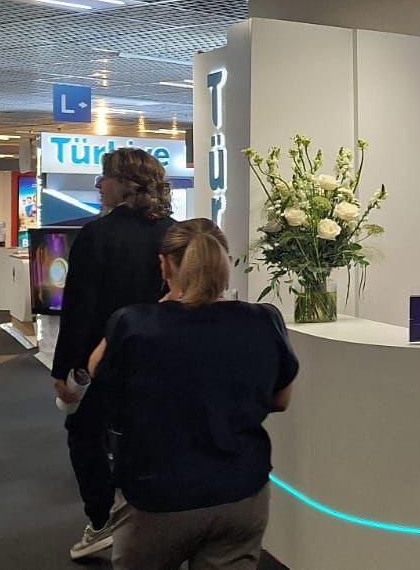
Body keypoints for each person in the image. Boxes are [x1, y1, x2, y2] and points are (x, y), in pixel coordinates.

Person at [87, 219, 297, 570]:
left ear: (165, 265)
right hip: (241, 492)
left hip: (157, 496)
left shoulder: (134, 323)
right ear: (226, 262)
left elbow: (97, 370)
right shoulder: (264, 319)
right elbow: (281, 399)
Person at [52, 148, 176, 560]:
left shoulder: (96, 235)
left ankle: (102, 520)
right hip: (164, 360)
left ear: (123, 183)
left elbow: (78, 310)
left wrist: (65, 369)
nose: (99, 185)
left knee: (84, 434)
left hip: (104, 360)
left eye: (103, 177)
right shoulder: (176, 234)